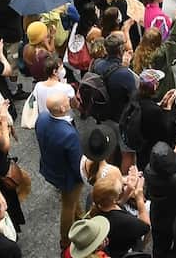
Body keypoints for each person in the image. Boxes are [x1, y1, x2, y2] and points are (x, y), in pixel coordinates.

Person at [35, 93, 85, 251]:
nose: (69, 100)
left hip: (51, 167)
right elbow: (77, 164)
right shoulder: (68, 134)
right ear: (63, 108)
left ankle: (81, 217)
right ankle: (65, 242)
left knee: (72, 201)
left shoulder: (42, 118)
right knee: (68, 205)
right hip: (67, 177)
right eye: (66, 100)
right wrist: (84, 178)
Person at [87, 168, 151, 257]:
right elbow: (146, 226)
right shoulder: (123, 221)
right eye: (122, 186)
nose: (124, 184)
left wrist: (129, 189)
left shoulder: (94, 199)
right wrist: (139, 197)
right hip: (120, 252)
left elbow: (117, 203)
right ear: (114, 198)